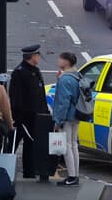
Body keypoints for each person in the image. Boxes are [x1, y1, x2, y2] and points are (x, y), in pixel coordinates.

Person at [8, 43, 50, 181]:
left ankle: (29, 172)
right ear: (32, 56)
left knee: (30, 145)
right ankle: (5, 170)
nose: (39, 57)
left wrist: (44, 113)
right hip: (23, 117)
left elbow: (40, 95)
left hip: (36, 117)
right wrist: (18, 117)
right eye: (38, 55)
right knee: (13, 144)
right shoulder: (19, 73)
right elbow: (16, 97)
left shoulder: (35, 71)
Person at [50, 52, 82, 187]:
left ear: (66, 62)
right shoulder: (77, 75)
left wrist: (58, 121)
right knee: (74, 144)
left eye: (60, 59)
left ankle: (71, 176)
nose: (58, 61)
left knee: (67, 146)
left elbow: (63, 103)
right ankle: (76, 175)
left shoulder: (65, 79)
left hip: (67, 117)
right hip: (76, 115)